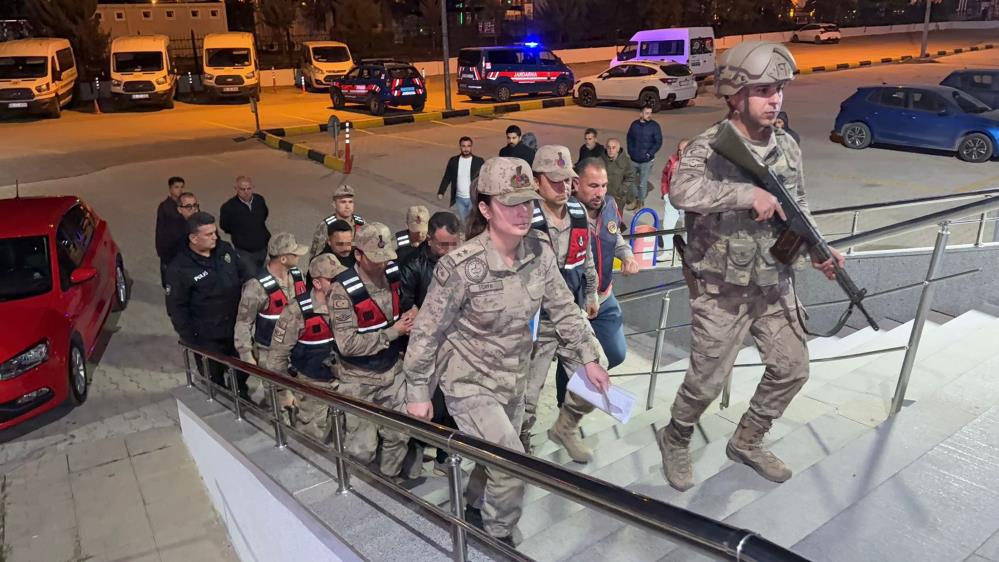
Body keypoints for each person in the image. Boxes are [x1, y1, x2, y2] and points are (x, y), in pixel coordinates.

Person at [661, 41, 845, 492]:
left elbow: (797, 206)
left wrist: (819, 250)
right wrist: (747, 195)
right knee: (706, 382)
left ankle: (747, 439)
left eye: (779, 89)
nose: (775, 99)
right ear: (734, 95)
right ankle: (676, 436)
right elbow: (680, 194)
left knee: (792, 368)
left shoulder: (786, 147)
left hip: (774, 282)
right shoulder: (709, 146)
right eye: (763, 90)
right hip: (721, 290)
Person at [403, 157, 609, 546]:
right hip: (469, 381)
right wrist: (417, 392)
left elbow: (564, 308)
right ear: (484, 208)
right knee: (512, 465)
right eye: (509, 203)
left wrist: (589, 358)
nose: (522, 213)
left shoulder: (539, 251)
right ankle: (496, 540)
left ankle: (473, 504)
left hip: (513, 376)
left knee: (494, 457)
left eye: (528, 202)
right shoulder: (460, 267)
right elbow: (427, 332)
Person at [520, 145, 601, 462]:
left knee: (597, 378)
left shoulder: (579, 213)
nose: (563, 187)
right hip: (536, 323)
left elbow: (587, 257)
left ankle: (565, 427)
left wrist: (592, 292)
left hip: (571, 317)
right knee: (526, 396)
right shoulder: (524, 220)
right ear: (537, 181)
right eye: (554, 180)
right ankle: (521, 446)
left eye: (567, 180)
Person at [329, 222, 416, 479]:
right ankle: (360, 488)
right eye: (375, 259)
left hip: (392, 372)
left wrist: (412, 315)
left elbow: (406, 305)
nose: (382, 264)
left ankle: (387, 482)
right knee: (361, 449)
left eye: (385, 258)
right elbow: (347, 344)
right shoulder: (342, 290)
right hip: (358, 379)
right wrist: (394, 332)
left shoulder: (393, 274)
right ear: (358, 254)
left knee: (399, 436)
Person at [558, 157, 641, 406]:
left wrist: (627, 256)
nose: (600, 192)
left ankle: (574, 383)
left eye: (604, 185)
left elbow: (615, 238)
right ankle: (567, 405)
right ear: (575, 184)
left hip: (605, 297)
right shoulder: (566, 215)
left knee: (616, 353)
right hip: (577, 302)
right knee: (581, 358)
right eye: (593, 186)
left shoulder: (610, 206)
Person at [397, 210, 462, 475]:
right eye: (442, 244)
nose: (448, 251)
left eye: (453, 244)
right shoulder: (413, 264)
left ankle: (445, 457)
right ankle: (417, 449)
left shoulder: (464, 260)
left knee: (454, 402)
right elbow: (405, 303)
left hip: (457, 343)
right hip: (427, 345)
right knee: (426, 403)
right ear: (429, 241)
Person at [165, 212, 252, 398]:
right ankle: (223, 403)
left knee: (242, 370)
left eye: (215, 232)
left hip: (235, 329)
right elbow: (176, 308)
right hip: (208, 338)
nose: (215, 237)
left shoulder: (225, 251)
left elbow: (245, 275)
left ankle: (241, 395)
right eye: (209, 234)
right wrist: (192, 340)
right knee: (214, 379)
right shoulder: (179, 268)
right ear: (194, 238)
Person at [265, 254, 344, 441]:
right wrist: (284, 392)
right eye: (333, 280)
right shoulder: (296, 311)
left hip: (344, 385)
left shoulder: (346, 305)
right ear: (317, 284)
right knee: (312, 441)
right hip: (311, 389)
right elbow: (276, 357)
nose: (340, 284)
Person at [233, 233, 309, 375]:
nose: (299, 256)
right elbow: (243, 322)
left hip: (299, 349)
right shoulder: (256, 286)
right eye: (295, 253)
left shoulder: (298, 276)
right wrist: (246, 355)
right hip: (271, 354)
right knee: (280, 394)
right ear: (283, 258)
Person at [219, 175, 271, 272]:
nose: (246, 192)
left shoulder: (259, 200)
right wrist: (239, 234)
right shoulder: (228, 207)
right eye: (242, 189)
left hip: (262, 246)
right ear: (236, 189)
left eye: (249, 188)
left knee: (260, 270)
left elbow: (264, 215)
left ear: (253, 187)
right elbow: (224, 226)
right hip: (243, 250)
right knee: (250, 274)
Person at [309, 184, 366, 262]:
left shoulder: (361, 224)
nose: (347, 206)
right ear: (334, 204)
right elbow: (316, 256)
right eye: (343, 202)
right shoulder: (325, 226)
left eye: (350, 202)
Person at [437, 136, 484, 221]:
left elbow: (484, 179)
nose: (466, 149)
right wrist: (441, 192)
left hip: (473, 198)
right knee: (464, 221)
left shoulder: (479, 161)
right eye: (463, 146)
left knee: (472, 221)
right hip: (459, 199)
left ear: (471, 147)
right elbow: (447, 177)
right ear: (460, 147)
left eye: (468, 146)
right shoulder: (453, 161)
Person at [626, 105, 663, 210]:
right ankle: (635, 199)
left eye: (650, 113)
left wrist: (649, 154)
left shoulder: (655, 126)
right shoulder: (634, 125)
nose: (649, 115)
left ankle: (640, 202)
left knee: (642, 183)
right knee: (631, 181)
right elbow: (629, 138)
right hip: (634, 159)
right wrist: (631, 152)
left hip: (646, 161)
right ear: (641, 114)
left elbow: (658, 142)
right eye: (647, 113)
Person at [658, 139, 690, 254]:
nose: (681, 153)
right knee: (667, 226)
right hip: (672, 199)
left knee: (688, 228)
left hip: (688, 203)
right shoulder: (672, 161)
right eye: (680, 150)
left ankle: (687, 253)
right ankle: (667, 252)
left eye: (684, 150)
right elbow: (665, 176)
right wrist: (665, 193)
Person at [155, 176, 188, 287]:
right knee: (170, 277)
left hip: (184, 246)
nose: (180, 190)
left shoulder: (186, 204)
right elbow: (160, 229)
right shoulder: (165, 207)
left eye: (181, 187)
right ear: (170, 189)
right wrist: (161, 249)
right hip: (170, 248)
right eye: (176, 187)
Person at [603, 138, 638, 211]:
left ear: (618, 149)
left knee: (616, 218)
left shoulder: (626, 161)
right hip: (603, 196)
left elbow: (630, 177)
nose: (611, 150)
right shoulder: (601, 159)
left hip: (618, 198)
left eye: (613, 147)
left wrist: (621, 190)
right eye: (608, 147)